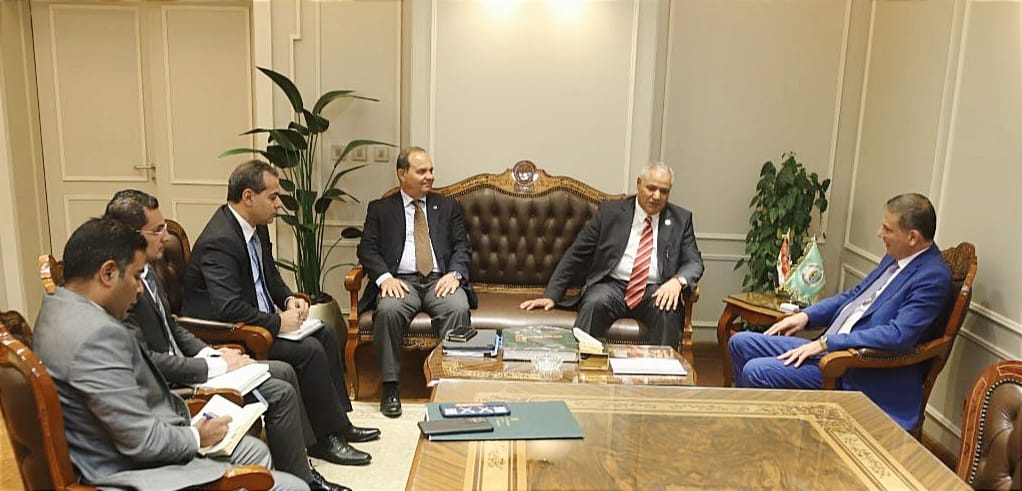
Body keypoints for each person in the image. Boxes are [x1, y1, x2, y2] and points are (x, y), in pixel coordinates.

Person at [32, 218, 308, 490]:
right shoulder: (96, 336)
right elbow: (142, 441)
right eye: (136, 276)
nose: (140, 288)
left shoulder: (55, 309)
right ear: (108, 273)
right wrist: (196, 436)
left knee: (253, 451)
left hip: (125, 445)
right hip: (130, 472)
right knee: (292, 487)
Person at [105, 190, 349, 491]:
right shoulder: (121, 290)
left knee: (289, 367)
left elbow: (173, 326)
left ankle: (308, 461)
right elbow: (149, 361)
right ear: (129, 236)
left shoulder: (146, 270)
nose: (166, 237)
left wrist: (212, 353)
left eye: (165, 228)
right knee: (282, 388)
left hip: (196, 361)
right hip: (177, 383)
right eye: (158, 230)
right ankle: (303, 480)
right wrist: (214, 366)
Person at [181, 160, 378, 465]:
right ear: (248, 197)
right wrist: (276, 323)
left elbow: (269, 275)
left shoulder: (256, 227)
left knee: (325, 333)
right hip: (230, 335)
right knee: (309, 350)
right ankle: (323, 441)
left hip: (255, 321)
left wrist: (288, 300)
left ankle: (338, 425)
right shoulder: (220, 240)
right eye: (272, 197)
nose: (279, 204)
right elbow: (227, 307)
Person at [729, 193, 953, 430]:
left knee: (756, 371)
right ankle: (751, 426)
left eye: (887, 229)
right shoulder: (895, 258)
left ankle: (769, 436)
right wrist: (806, 316)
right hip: (829, 349)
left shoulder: (932, 277)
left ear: (912, 237)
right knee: (740, 343)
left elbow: (898, 335)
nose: (879, 233)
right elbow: (853, 296)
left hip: (852, 368)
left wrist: (827, 343)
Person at [520, 162, 704, 348]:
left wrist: (678, 281)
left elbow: (694, 262)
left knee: (668, 309)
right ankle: (584, 361)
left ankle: (661, 366)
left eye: (664, 191)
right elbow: (577, 254)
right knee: (594, 302)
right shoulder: (610, 212)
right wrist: (552, 295)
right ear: (638, 183)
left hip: (655, 290)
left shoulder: (681, 219)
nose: (657, 196)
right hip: (612, 286)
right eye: (651, 188)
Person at [356, 146, 476, 417]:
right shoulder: (381, 209)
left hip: (439, 280)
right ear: (402, 174)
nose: (430, 176)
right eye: (422, 171)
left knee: (458, 308)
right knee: (388, 310)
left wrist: (455, 274)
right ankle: (390, 387)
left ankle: (451, 384)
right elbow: (367, 250)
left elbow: (463, 247)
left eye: (431, 170)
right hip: (401, 281)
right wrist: (385, 278)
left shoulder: (447, 206)